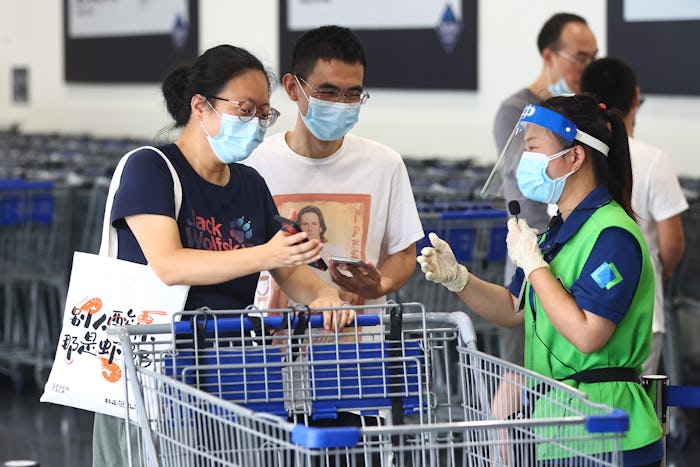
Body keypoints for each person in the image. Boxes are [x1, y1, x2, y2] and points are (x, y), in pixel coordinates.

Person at [92, 44, 351, 466]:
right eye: (245, 109)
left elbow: (287, 266)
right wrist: (265, 254)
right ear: (200, 105)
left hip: (231, 371)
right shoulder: (152, 168)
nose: (255, 124)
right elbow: (170, 265)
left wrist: (323, 296)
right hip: (153, 371)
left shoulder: (249, 183)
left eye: (264, 114)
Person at [420, 95, 663, 465]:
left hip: (610, 431)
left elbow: (587, 334)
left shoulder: (613, 235)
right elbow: (513, 308)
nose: (524, 161)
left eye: (533, 147)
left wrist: (535, 266)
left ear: (575, 157)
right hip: (562, 429)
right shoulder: (558, 232)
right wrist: (458, 279)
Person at [244, 25, 423, 308]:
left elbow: (402, 254)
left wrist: (379, 285)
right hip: (273, 340)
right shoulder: (253, 164)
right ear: (293, 87)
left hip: (359, 342)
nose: (342, 104)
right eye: (327, 92)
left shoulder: (384, 164)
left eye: (353, 94)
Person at [492, 12, 598, 367]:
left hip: (572, 258)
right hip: (532, 255)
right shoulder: (515, 112)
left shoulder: (585, 117)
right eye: (579, 58)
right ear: (549, 55)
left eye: (592, 58)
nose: (587, 67)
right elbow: (530, 193)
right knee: (518, 378)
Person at [580, 57, 688, 375]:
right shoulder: (655, 160)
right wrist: (658, 270)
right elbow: (672, 245)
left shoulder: (575, 159)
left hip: (581, 314)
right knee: (638, 413)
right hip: (642, 313)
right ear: (635, 97)